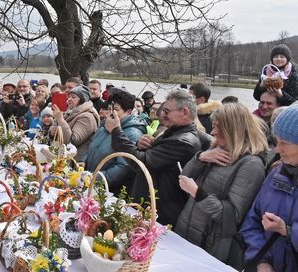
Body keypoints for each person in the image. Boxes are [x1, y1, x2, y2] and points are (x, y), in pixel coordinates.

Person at [174, 103, 268, 269]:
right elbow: (184, 178)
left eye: (217, 127)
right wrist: (201, 157)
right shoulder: (217, 148)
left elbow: (231, 217)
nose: (212, 132)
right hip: (186, 231)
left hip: (210, 245)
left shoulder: (251, 165)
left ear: (233, 129)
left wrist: (198, 193)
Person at [107, 90, 202, 226]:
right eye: (163, 110)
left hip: (159, 214)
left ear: (185, 113)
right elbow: (148, 157)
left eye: (167, 111)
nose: (162, 114)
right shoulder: (173, 133)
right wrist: (140, 145)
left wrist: (116, 131)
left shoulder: (183, 142)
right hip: (149, 207)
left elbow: (142, 163)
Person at [240, 105, 298, 272]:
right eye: (276, 140)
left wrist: (287, 231)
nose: (277, 149)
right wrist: (261, 261)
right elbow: (252, 221)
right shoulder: (275, 174)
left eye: (284, 143)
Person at [85, 88, 147, 193]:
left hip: (108, 191)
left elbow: (123, 168)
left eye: (116, 110)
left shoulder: (133, 134)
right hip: (89, 183)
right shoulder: (105, 125)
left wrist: (92, 179)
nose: (111, 113)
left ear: (128, 111)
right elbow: (91, 147)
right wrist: (82, 163)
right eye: (109, 109)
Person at [51, 84, 99, 161]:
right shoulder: (69, 112)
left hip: (75, 162)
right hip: (63, 158)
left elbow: (72, 141)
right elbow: (60, 133)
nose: (69, 99)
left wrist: (60, 119)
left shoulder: (87, 117)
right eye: (69, 96)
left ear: (82, 99)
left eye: (73, 97)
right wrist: (52, 132)